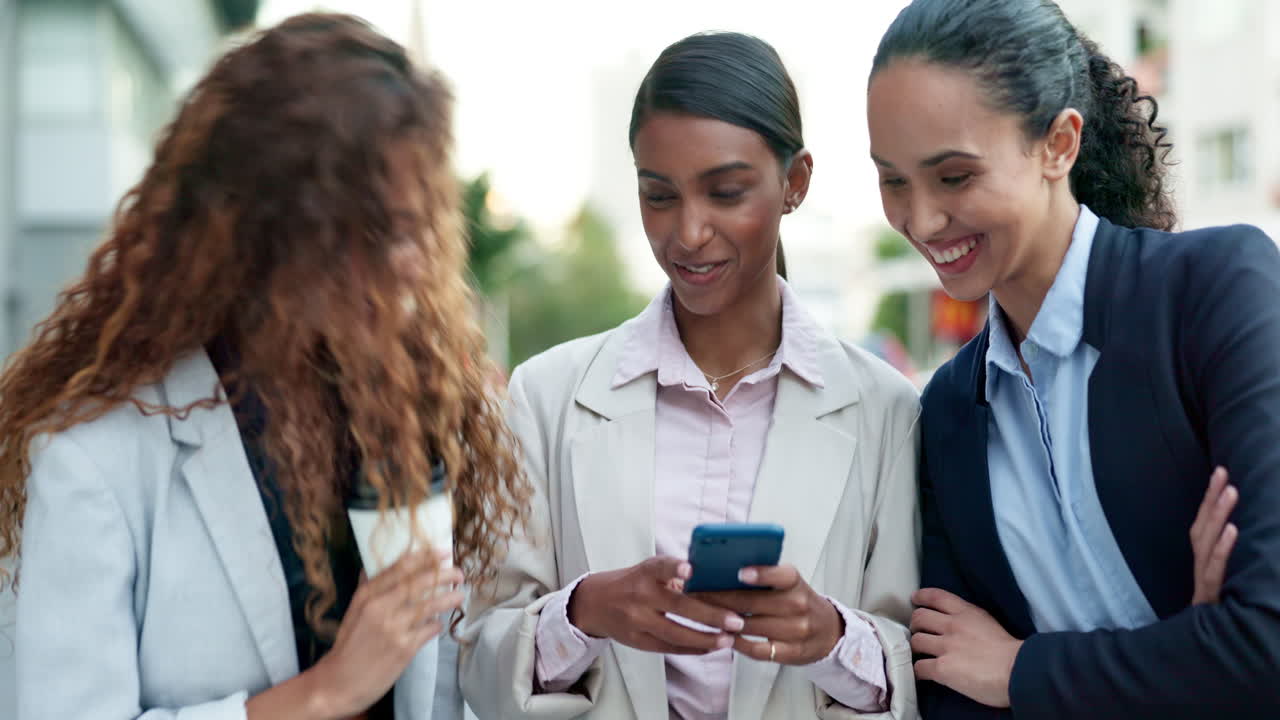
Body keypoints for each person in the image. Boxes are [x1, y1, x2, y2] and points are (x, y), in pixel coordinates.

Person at [0, 13, 528, 720]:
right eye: (371, 230)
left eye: (416, 227)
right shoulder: (93, 455)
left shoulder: (409, 410)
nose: (409, 263)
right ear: (258, 229)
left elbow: (436, 680)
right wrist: (324, 693)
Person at [461, 31, 921, 720]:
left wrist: (830, 637)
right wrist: (586, 613)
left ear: (795, 183)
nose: (690, 232)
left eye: (726, 192)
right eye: (659, 196)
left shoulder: (888, 409)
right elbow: (478, 661)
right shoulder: (545, 397)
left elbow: (919, 668)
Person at [866, 0, 1280, 717]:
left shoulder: (1216, 292)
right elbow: (950, 683)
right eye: (894, 180)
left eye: (955, 176)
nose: (922, 219)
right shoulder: (947, 412)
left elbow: (1264, 646)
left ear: (1059, 144)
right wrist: (1186, 653)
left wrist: (1022, 670)